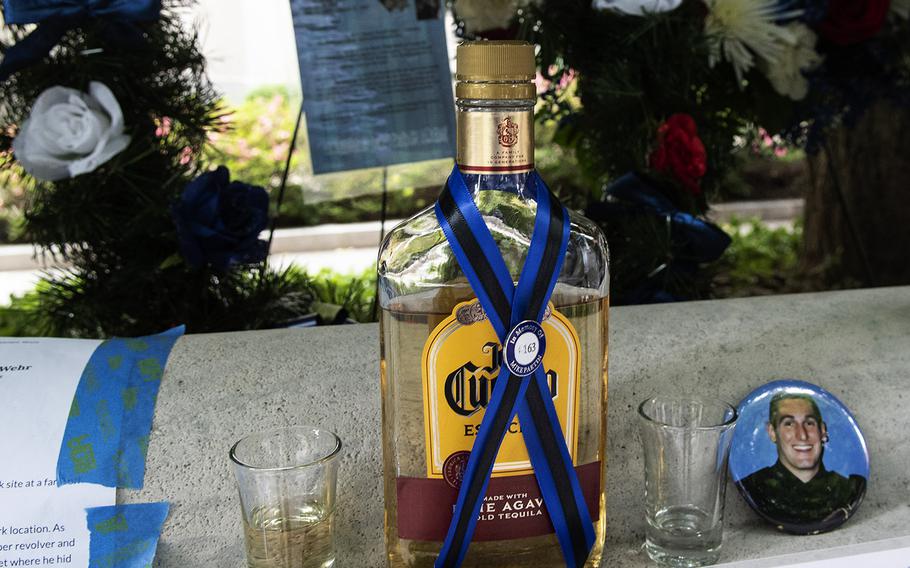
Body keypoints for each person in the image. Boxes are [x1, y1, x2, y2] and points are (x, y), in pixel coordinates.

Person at [739, 392, 866, 533]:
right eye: (789, 424)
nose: (802, 435)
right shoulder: (754, 487)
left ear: (822, 431)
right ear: (772, 432)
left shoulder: (848, 490)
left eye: (809, 423)